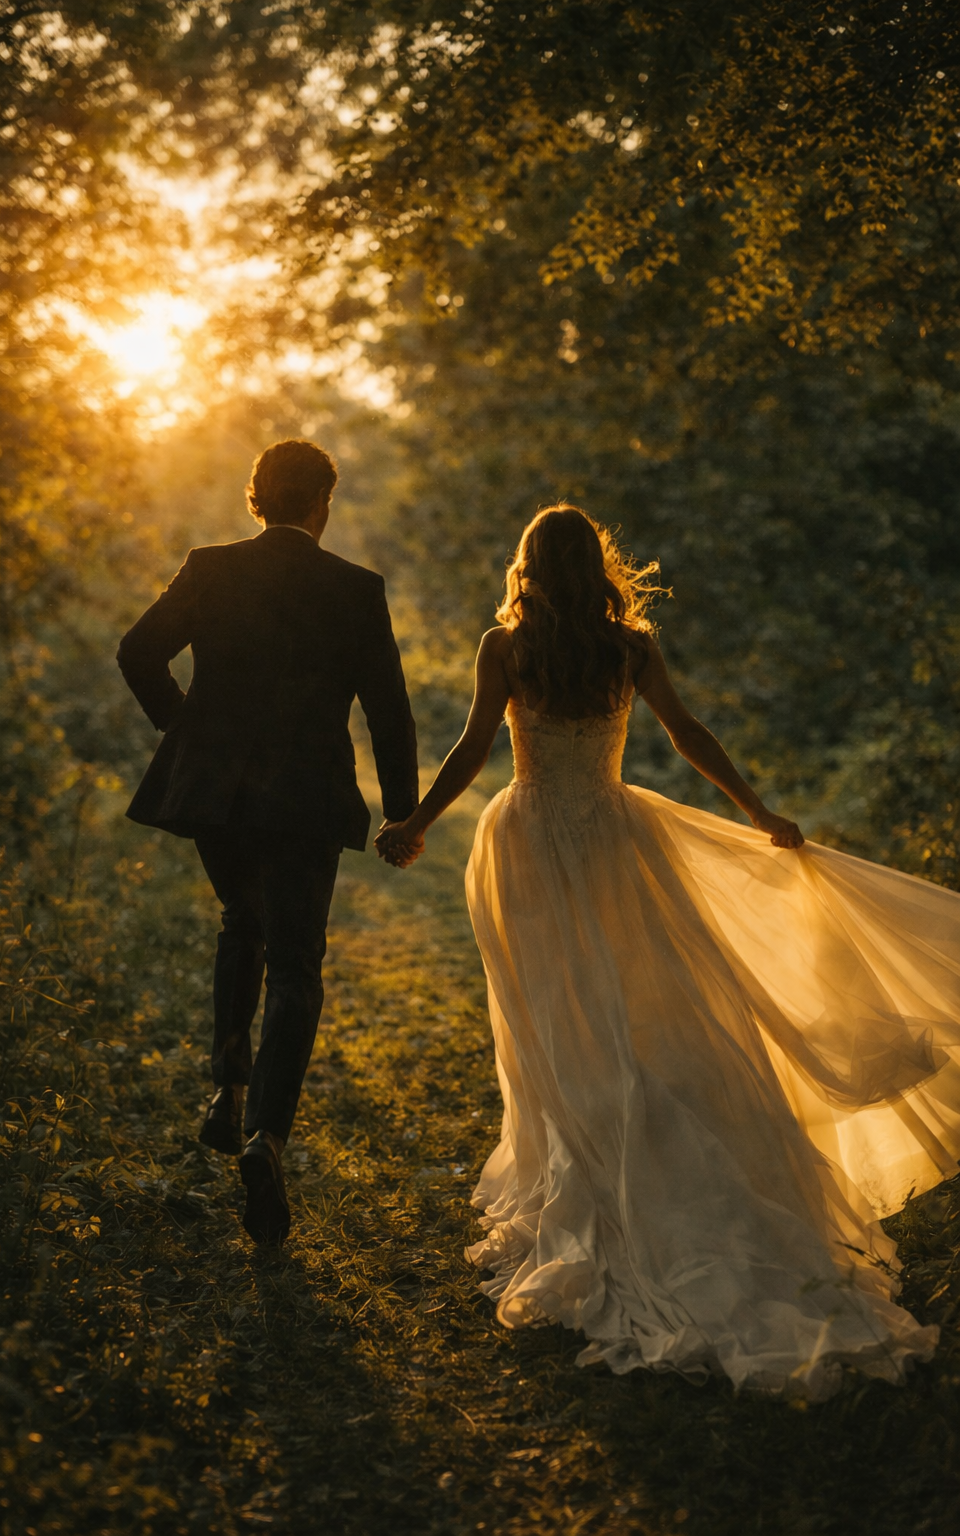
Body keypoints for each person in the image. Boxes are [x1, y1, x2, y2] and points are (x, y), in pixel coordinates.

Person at [377, 504, 960, 1400]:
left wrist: (418, 820)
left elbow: (475, 745)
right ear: (596, 567)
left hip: (527, 837)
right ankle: (625, 1146)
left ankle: (598, 1157)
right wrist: (757, 810)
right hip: (613, 834)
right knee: (636, 1003)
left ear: (529, 568)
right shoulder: (630, 649)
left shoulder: (508, 648)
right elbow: (689, 736)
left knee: (561, 1015)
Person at [118, 439, 417, 1246]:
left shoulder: (210, 568)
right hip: (305, 799)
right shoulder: (355, 588)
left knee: (239, 924)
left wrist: (185, 728)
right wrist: (402, 813)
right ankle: (266, 1138)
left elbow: (137, 651)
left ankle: (228, 1087)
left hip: (217, 794)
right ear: (322, 502)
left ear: (256, 499)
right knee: (295, 964)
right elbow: (388, 708)